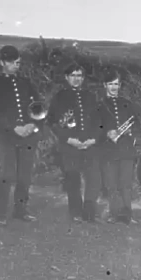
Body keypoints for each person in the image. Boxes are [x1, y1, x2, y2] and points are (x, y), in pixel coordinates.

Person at [0, 45, 43, 225]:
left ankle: (20, 210)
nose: (16, 65)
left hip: (28, 136)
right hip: (7, 136)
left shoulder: (26, 83)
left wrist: (33, 124)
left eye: (17, 62)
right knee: (7, 174)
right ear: (2, 62)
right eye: (11, 62)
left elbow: (39, 107)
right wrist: (13, 128)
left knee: (25, 175)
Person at [47, 63, 103, 223]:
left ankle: (90, 212)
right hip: (70, 145)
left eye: (79, 75)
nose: (76, 79)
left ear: (83, 78)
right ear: (67, 77)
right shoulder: (59, 97)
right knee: (73, 179)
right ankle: (76, 212)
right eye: (73, 75)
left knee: (93, 179)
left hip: (90, 144)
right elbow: (52, 121)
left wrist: (93, 139)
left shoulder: (90, 96)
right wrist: (68, 139)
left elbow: (98, 121)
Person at [98, 69, 141, 224]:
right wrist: (106, 133)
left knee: (125, 184)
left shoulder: (127, 104)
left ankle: (127, 215)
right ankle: (114, 214)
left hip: (125, 150)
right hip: (108, 151)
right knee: (111, 185)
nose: (114, 87)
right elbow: (94, 128)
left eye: (116, 84)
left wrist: (130, 132)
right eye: (111, 84)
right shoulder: (100, 105)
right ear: (105, 85)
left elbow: (137, 125)